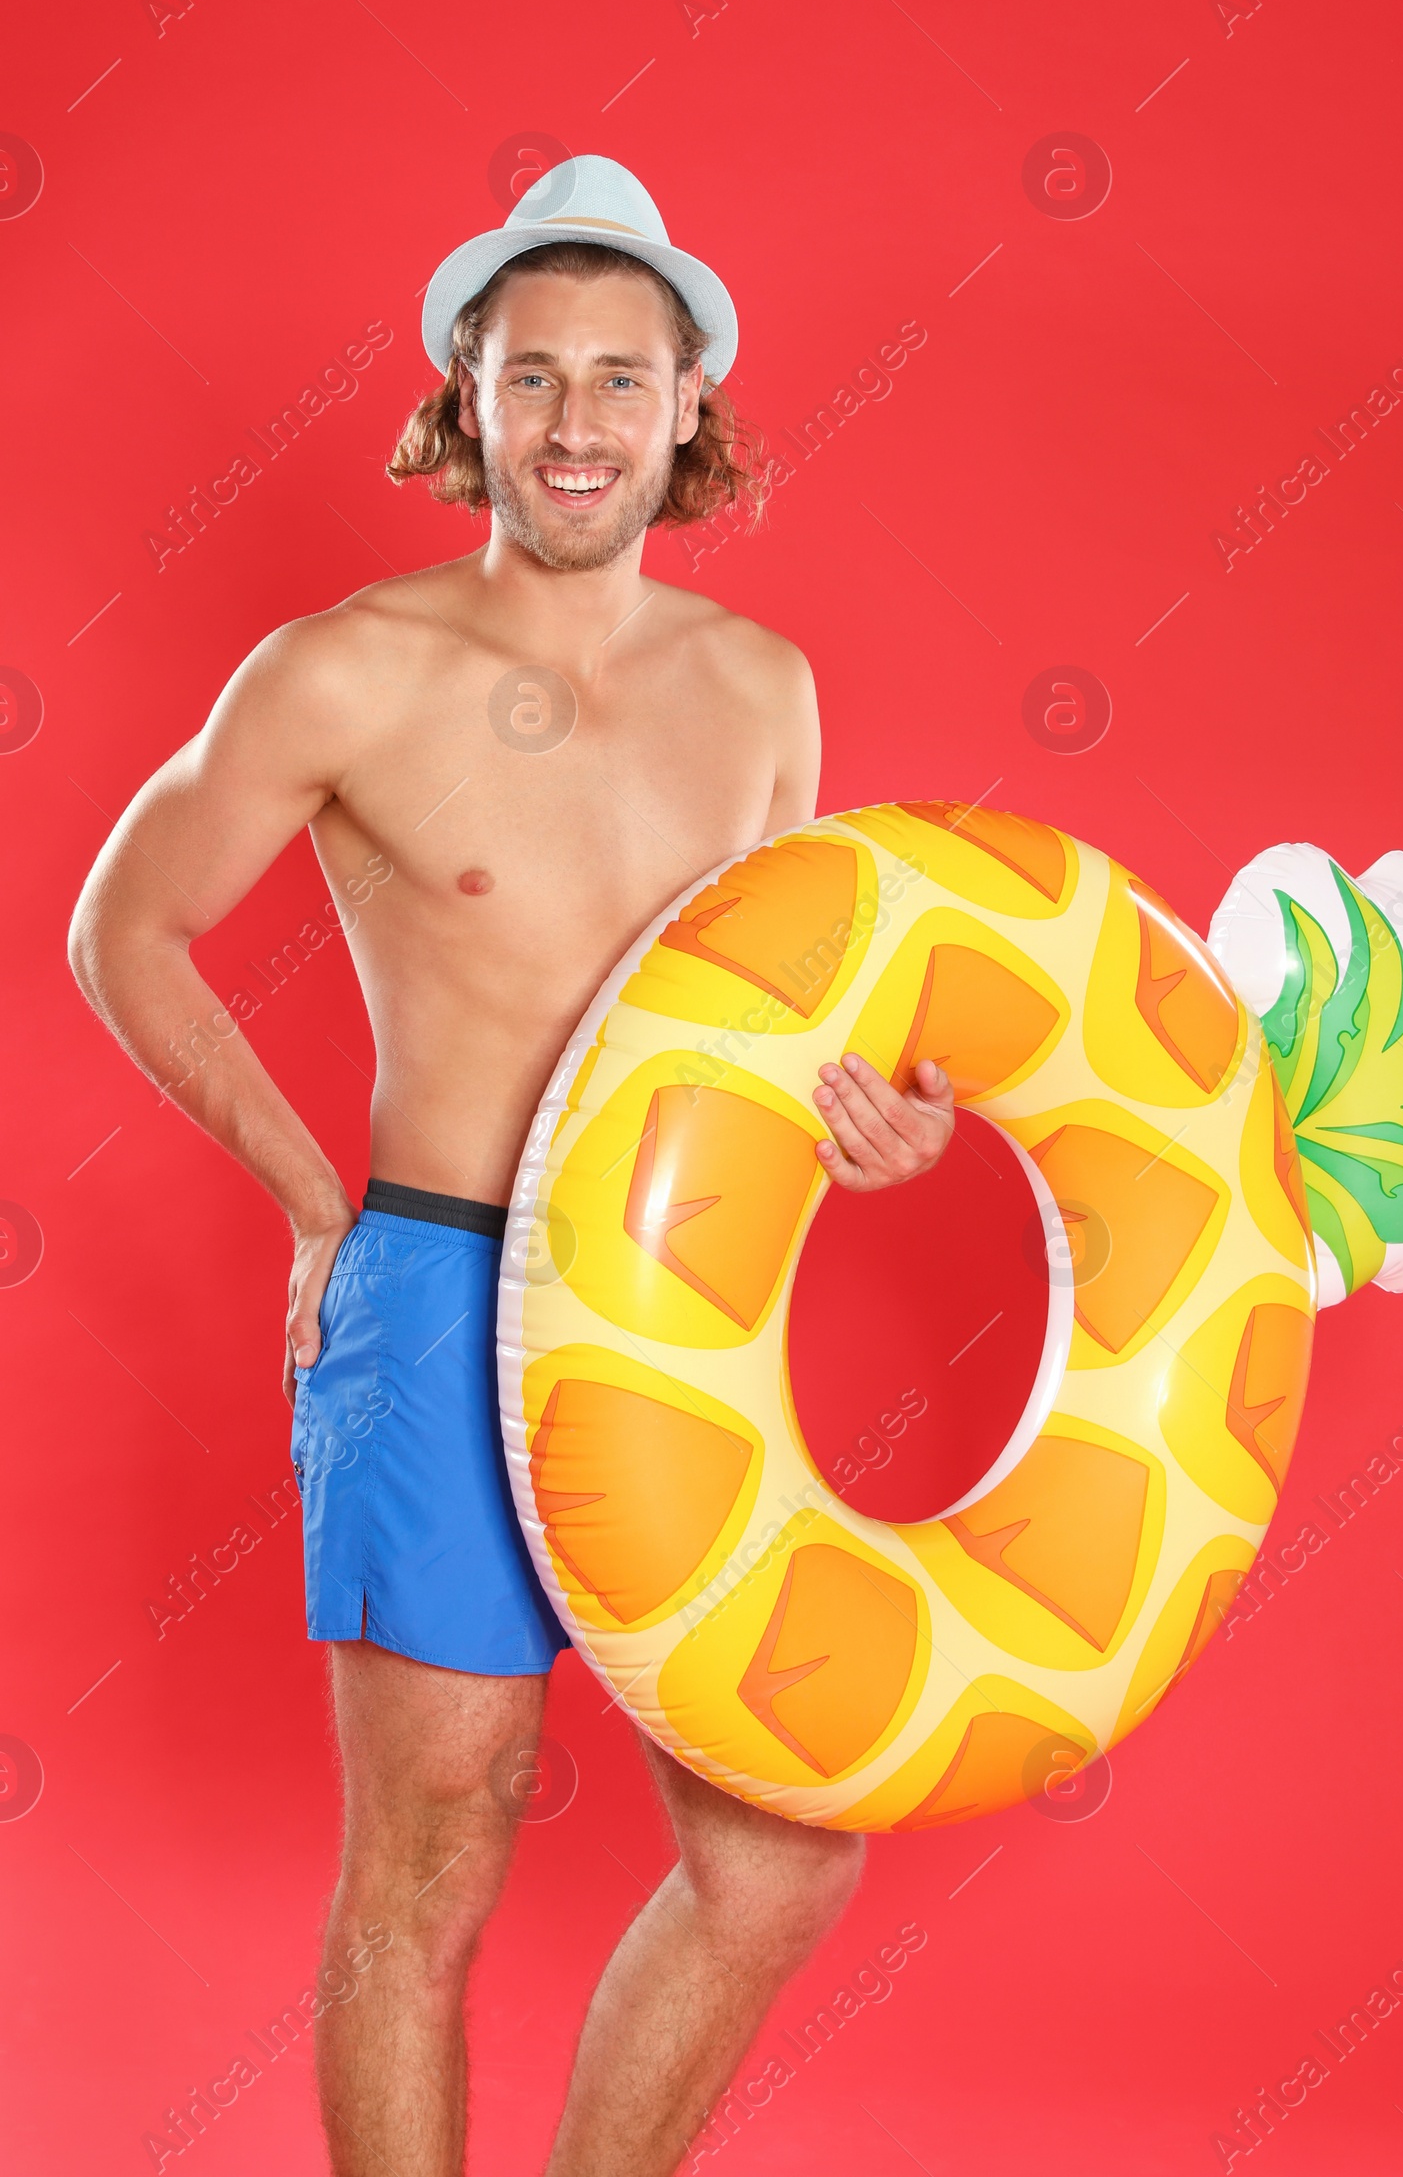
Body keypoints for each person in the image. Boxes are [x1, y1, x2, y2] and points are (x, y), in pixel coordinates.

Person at [68, 155, 956, 2177]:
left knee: (781, 1858)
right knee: (434, 1855)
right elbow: (121, 926)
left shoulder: (763, 690)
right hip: (442, 1282)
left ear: (688, 415)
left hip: (682, 1310)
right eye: (531, 374)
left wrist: (867, 1138)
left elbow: (771, 1029)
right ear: (464, 401)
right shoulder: (344, 666)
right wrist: (313, 1200)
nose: (574, 422)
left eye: (618, 381)